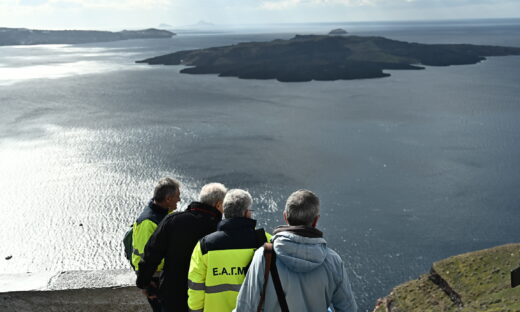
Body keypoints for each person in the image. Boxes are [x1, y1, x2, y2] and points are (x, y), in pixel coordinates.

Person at [234, 190, 357, 312]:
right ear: (315, 221)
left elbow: (244, 308)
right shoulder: (332, 261)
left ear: (285, 217)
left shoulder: (264, 256)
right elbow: (348, 309)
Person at [136, 182, 228, 312]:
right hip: (206, 298)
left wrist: (144, 282)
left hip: (172, 296)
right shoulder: (219, 229)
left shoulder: (172, 220)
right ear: (218, 204)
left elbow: (151, 254)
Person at [188, 189, 271, 312]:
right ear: (247, 213)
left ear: (224, 212)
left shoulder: (205, 245)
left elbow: (196, 285)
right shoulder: (266, 241)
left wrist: (195, 310)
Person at [132, 177, 181, 312]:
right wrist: (147, 284)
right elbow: (144, 256)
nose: (179, 200)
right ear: (168, 199)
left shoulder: (164, 215)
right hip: (154, 279)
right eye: (178, 196)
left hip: (160, 277)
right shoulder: (148, 222)